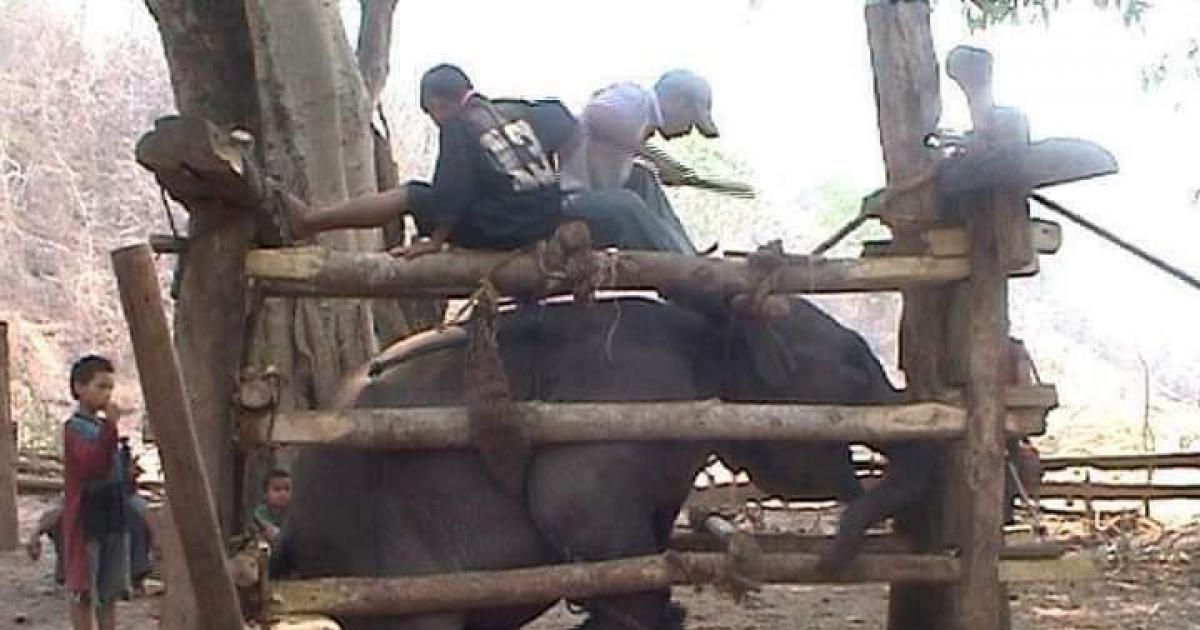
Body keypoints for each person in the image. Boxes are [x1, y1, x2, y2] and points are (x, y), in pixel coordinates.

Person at [287, 63, 563, 259]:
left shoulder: (458, 123)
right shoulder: (512, 111)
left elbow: (453, 189)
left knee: (413, 194)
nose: (435, 121)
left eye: (432, 113)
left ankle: (311, 221)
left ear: (438, 103)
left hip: (504, 229)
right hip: (544, 221)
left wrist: (435, 240)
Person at [62, 355, 130, 630]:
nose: (106, 394)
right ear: (79, 387)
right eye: (100, 386)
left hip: (112, 510)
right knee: (84, 589)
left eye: (109, 388)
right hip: (87, 514)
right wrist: (111, 429)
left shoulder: (102, 428)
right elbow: (92, 464)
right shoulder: (74, 428)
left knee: (109, 589)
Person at [250, 468, 292, 547]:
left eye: (287, 489)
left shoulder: (293, 513)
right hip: (264, 545)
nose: (283, 493)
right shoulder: (261, 512)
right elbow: (260, 523)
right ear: (265, 494)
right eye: (277, 489)